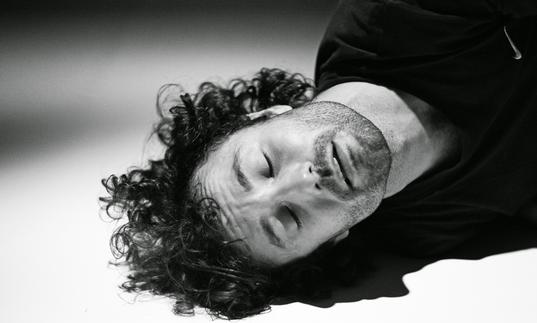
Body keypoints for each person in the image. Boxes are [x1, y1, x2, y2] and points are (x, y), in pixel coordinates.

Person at [101, 0, 537, 319]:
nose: (305, 183)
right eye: (290, 219)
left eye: (265, 166)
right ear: (332, 241)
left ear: (263, 116)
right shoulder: (426, 231)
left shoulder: (398, 17)